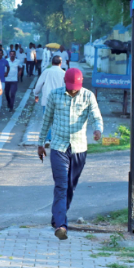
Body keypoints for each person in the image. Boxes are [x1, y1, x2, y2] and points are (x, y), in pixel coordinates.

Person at [38, 68, 103, 241]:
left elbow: (96, 116)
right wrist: (40, 143)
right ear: (64, 82)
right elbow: (47, 120)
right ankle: (61, 225)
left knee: (70, 187)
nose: (73, 90)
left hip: (79, 148)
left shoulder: (88, 96)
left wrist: (98, 129)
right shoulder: (54, 95)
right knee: (61, 185)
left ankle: (56, 218)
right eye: (70, 86)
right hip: (59, 146)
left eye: (76, 87)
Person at [34, 56, 66, 142]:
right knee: (57, 120)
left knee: (47, 120)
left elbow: (39, 84)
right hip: (59, 100)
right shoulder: (63, 73)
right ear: (61, 63)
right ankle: (55, 138)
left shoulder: (46, 72)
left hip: (47, 100)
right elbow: (65, 88)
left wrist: (36, 94)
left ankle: (48, 139)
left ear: (52, 63)